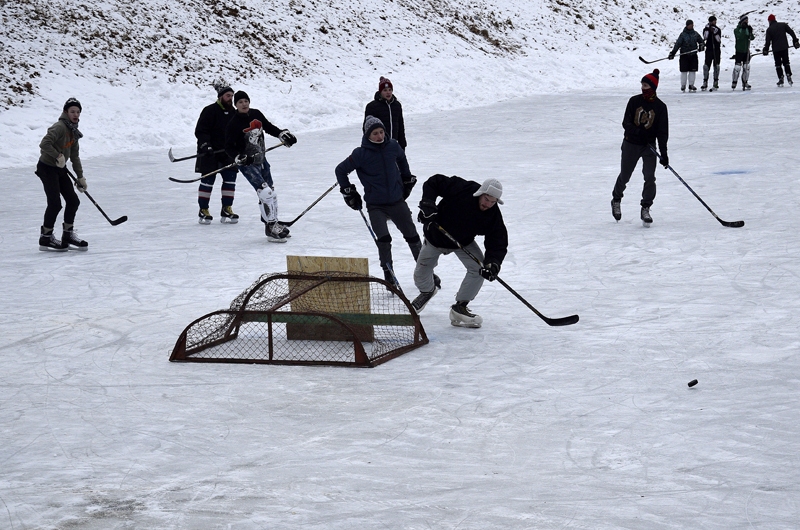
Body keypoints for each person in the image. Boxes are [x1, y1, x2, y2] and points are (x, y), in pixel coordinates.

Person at [410, 175, 508, 329]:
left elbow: (498, 240)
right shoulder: (463, 189)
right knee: (420, 275)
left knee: (480, 268)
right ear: (480, 193)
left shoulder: (492, 214)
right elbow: (434, 182)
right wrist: (428, 204)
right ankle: (427, 291)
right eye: (486, 199)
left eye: (493, 202)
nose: (488, 204)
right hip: (436, 237)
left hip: (463, 242)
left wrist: (493, 263)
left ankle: (460, 306)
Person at [335, 116, 420, 289]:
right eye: (375, 133)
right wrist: (348, 191)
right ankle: (388, 274)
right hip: (376, 205)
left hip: (397, 201)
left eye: (381, 132)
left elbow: (402, 159)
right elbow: (340, 170)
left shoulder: (393, 146)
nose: (380, 136)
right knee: (384, 239)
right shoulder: (360, 154)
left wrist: (406, 178)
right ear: (367, 135)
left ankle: (424, 271)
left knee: (412, 235)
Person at [224, 90, 297, 242]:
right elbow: (229, 146)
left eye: (245, 101)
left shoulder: (256, 114)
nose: (244, 104)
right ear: (235, 105)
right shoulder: (233, 122)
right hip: (248, 164)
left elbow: (269, 127)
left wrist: (281, 134)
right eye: (240, 102)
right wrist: (238, 156)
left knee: (271, 193)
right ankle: (272, 226)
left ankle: (272, 224)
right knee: (266, 192)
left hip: (262, 160)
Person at [611, 70, 669, 227]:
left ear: (653, 87)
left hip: (649, 146)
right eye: (642, 85)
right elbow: (626, 123)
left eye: (646, 85)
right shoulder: (634, 101)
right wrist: (638, 133)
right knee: (625, 175)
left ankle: (646, 207)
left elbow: (662, 132)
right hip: (631, 144)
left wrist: (663, 154)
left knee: (650, 177)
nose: (643, 88)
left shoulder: (661, 107)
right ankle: (616, 199)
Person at [35, 97, 89, 251]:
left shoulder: (73, 131)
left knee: (73, 201)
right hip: (47, 168)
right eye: (72, 111)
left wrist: (80, 177)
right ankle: (46, 237)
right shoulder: (59, 127)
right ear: (66, 112)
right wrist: (58, 156)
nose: (76, 114)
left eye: (78, 111)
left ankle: (68, 234)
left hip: (60, 168)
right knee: (55, 204)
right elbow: (44, 143)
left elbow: (75, 156)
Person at [195, 82, 238, 224]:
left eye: (232, 96)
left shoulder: (234, 113)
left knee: (230, 180)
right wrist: (206, 146)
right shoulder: (209, 110)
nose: (230, 98)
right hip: (210, 154)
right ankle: (203, 209)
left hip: (228, 154)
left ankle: (227, 208)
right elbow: (201, 131)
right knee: (207, 182)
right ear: (220, 97)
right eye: (227, 96)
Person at [363, 77, 406, 150]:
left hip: (394, 145)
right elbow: (366, 128)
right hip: (379, 146)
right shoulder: (372, 106)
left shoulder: (397, 105)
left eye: (390, 90)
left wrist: (402, 143)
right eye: (385, 90)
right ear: (380, 92)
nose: (388, 92)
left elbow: (400, 126)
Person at [763, 14, 800, 87]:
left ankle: (781, 78)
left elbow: (768, 41)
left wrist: (766, 49)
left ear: (769, 21)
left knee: (778, 64)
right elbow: (791, 32)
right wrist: (795, 41)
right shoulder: (783, 25)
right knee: (786, 62)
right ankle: (788, 75)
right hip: (784, 47)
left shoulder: (769, 29)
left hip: (776, 50)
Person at [669, 19, 705, 91]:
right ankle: (683, 85)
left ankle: (691, 85)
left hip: (693, 55)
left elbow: (701, 41)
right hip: (684, 55)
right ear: (687, 25)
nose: (691, 26)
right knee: (684, 71)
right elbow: (678, 44)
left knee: (692, 71)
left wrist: (701, 46)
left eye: (692, 25)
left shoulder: (695, 34)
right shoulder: (683, 35)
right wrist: (673, 53)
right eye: (690, 25)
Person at [733, 14, 756, 90]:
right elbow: (739, 37)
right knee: (737, 67)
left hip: (746, 51)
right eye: (745, 21)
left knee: (747, 67)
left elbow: (752, 38)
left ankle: (745, 81)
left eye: (747, 21)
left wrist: (750, 31)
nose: (746, 22)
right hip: (739, 51)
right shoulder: (737, 29)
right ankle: (734, 81)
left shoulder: (747, 29)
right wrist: (744, 31)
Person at [701, 16, 722, 91]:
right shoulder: (706, 29)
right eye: (713, 21)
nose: (715, 22)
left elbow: (719, 40)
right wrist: (708, 29)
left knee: (716, 66)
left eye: (715, 21)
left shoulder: (718, 30)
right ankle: (705, 81)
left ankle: (715, 82)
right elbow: (705, 37)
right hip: (709, 49)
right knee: (706, 66)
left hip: (716, 50)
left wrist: (715, 33)